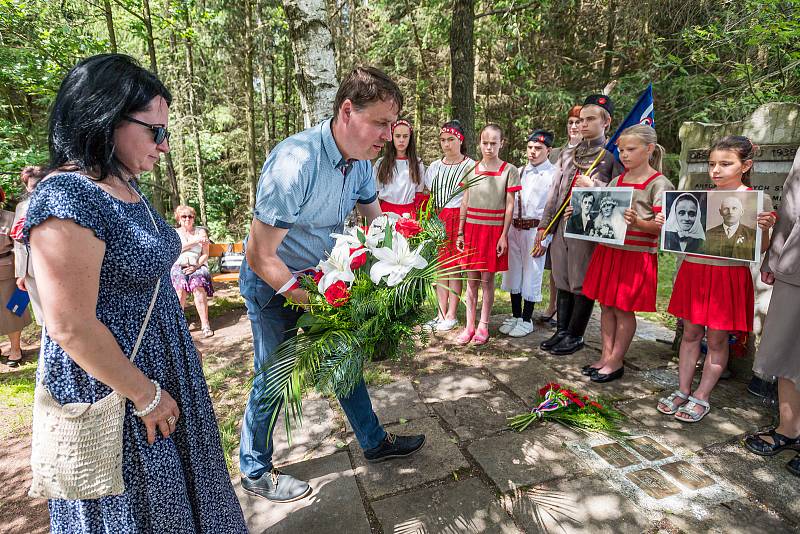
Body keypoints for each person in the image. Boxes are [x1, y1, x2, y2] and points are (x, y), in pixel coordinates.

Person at [24, 54, 246, 532]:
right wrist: (145, 395)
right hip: (117, 388)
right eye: (156, 131)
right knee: (146, 509)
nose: (164, 146)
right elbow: (69, 325)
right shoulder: (66, 196)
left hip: (163, 365)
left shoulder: (125, 183)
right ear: (105, 116)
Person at [238, 66, 426, 503]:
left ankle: (374, 442)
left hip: (323, 278)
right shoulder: (295, 162)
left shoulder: (360, 162)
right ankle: (254, 469)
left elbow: (375, 222)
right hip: (273, 282)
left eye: (391, 125)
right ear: (347, 111)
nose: (388, 134)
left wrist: (404, 267)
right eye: (380, 122)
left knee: (345, 362)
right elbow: (259, 255)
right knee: (272, 375)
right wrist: (310, 300)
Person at [659, 136, 776, 422]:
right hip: (694, 272)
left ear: (745, 165)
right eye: (712, 164)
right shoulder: (702, 200)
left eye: (725, 164)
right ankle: (683, 390)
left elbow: (759, 250)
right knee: (690, 334)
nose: (716, 170)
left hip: (728, 276)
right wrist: (666, 224)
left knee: (716, 339)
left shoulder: (759, 200)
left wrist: (765, 229)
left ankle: (702, 396)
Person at [581, 125, 674, 382]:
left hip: (635, 256)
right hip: (609, 252)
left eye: (630, 149)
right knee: (606, 306)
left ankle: (616, 360)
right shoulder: (616, 181)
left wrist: (638, 223)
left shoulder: (659, 184)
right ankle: (606, 355)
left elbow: (662, 227)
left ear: (649, 149)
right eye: (621, 150)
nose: (624, 155)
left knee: (623, 309)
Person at [535, 94, 624, 356]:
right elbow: (554, 191)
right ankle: (562, 330)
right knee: (561, 276)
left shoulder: (611, 155)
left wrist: (595, 186)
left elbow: (621, 193)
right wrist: (545, 224)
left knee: (580, 280)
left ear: (606, 121)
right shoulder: (569, 153)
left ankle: (575, 334)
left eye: (590, 119)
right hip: (561, 224)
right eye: (581, 120)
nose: (583, 124)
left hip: (587, 229)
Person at [744, 147, 800, 476]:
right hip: (797, 262)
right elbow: (792, 203)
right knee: (783, 346)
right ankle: (789, 428)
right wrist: (774, 255)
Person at [455, 124, 520, 345]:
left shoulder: (509, 170)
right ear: (479, 143)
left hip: (493, 230)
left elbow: (510, 206)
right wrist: (460, 231)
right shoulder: (471, 168)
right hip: (472, 228)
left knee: (487, 279)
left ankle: (483, 325)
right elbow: (465, 201)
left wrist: (504, 235)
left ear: (502, 143)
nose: (489, 147)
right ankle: (469, 325)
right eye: (485, 143)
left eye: (494, 143)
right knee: (470, 281)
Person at [500, 130, 556, 337]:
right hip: (515, 228)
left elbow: (553, 208)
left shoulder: (553, 174)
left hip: (536, 230)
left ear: (548, 150)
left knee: (532, 272)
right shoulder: (519, 171)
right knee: (514, 271)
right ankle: (516, 315)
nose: (533, 152)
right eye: (530, 148)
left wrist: (546, 237)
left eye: (539, 149)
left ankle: (527, 318)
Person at [424, 120, 474, 332]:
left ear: (460, 140)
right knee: (439, 268)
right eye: (443, 140)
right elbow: (430, 195)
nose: (446, 144)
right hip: (439, 217)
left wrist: (462, 226)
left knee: (453, 267)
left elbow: (469, 197)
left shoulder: (469, 166)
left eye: (451, 140)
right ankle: (440, 313)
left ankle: (452, 314)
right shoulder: (435, 167)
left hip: (459, 217)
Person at [541, 106, 582, 325]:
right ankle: (553, 305)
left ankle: (573, 317)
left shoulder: (592, 152)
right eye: (570, 122)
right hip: (555, 212)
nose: (574, 127)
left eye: (578, 122)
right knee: (554, 266)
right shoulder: (556, 152)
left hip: (577, 217)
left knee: (574, 269)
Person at [170, 204, 214, 337]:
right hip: (178, 266)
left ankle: (205, 325)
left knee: (198, 285)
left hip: (198, 265)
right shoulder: (174, 233)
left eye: (190, 216)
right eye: (184, 216)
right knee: (179, 287)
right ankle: (178, 327)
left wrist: (195, 266)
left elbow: (205, 254)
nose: (187, 219)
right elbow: (175, 250)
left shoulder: (201, 231)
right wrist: (195, 242)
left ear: (194, 218)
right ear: (178, 218)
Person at [0, 185, 31, 368]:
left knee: (12, 312)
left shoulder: (10, 218)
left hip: (7, 271)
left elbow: (20, 248)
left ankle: (15, 349)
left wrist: (22, 273)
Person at [12, 166, 44, 329]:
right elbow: (17, 243)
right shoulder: (21, 207)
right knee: (41, 315)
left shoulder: (57, 201)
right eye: (32, 186)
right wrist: (20, 273)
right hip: (29, 269)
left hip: (51, 264)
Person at [374, 119, 425, 217]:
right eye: (397, 136)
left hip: (409, 213)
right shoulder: (381, 163)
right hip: (386, 212)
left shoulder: (417, 163)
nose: (401, 140)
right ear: (391, 137)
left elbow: (419, 193)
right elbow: (375, 194)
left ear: (410, 138)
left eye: (405, 136)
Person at [703, 195, 757, 260]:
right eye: (726, 209)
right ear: (720, 212)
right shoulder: (708, 234)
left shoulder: (752, 234)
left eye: (734, 208)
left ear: (742, 212)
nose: (730, 212)